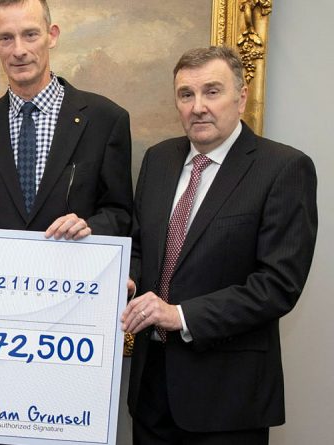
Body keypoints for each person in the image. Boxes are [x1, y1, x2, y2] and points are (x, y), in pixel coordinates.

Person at [121, 46, 318, 444]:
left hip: (227, 399)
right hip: (151, 391)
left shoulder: (283, 168)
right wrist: (127, 279)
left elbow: (278, 285)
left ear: (241, 97)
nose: (197, 107)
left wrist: (182, 316)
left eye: (212, 92)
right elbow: (141, 247)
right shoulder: (158, 159)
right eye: (186, 95)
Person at [0, 0, 133, 240]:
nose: (19, 50)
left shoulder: (106, 120)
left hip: (73, 271)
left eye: (30, 34)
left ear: (52, 35)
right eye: (6, 38)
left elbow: (119, 214)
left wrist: (88, 228)